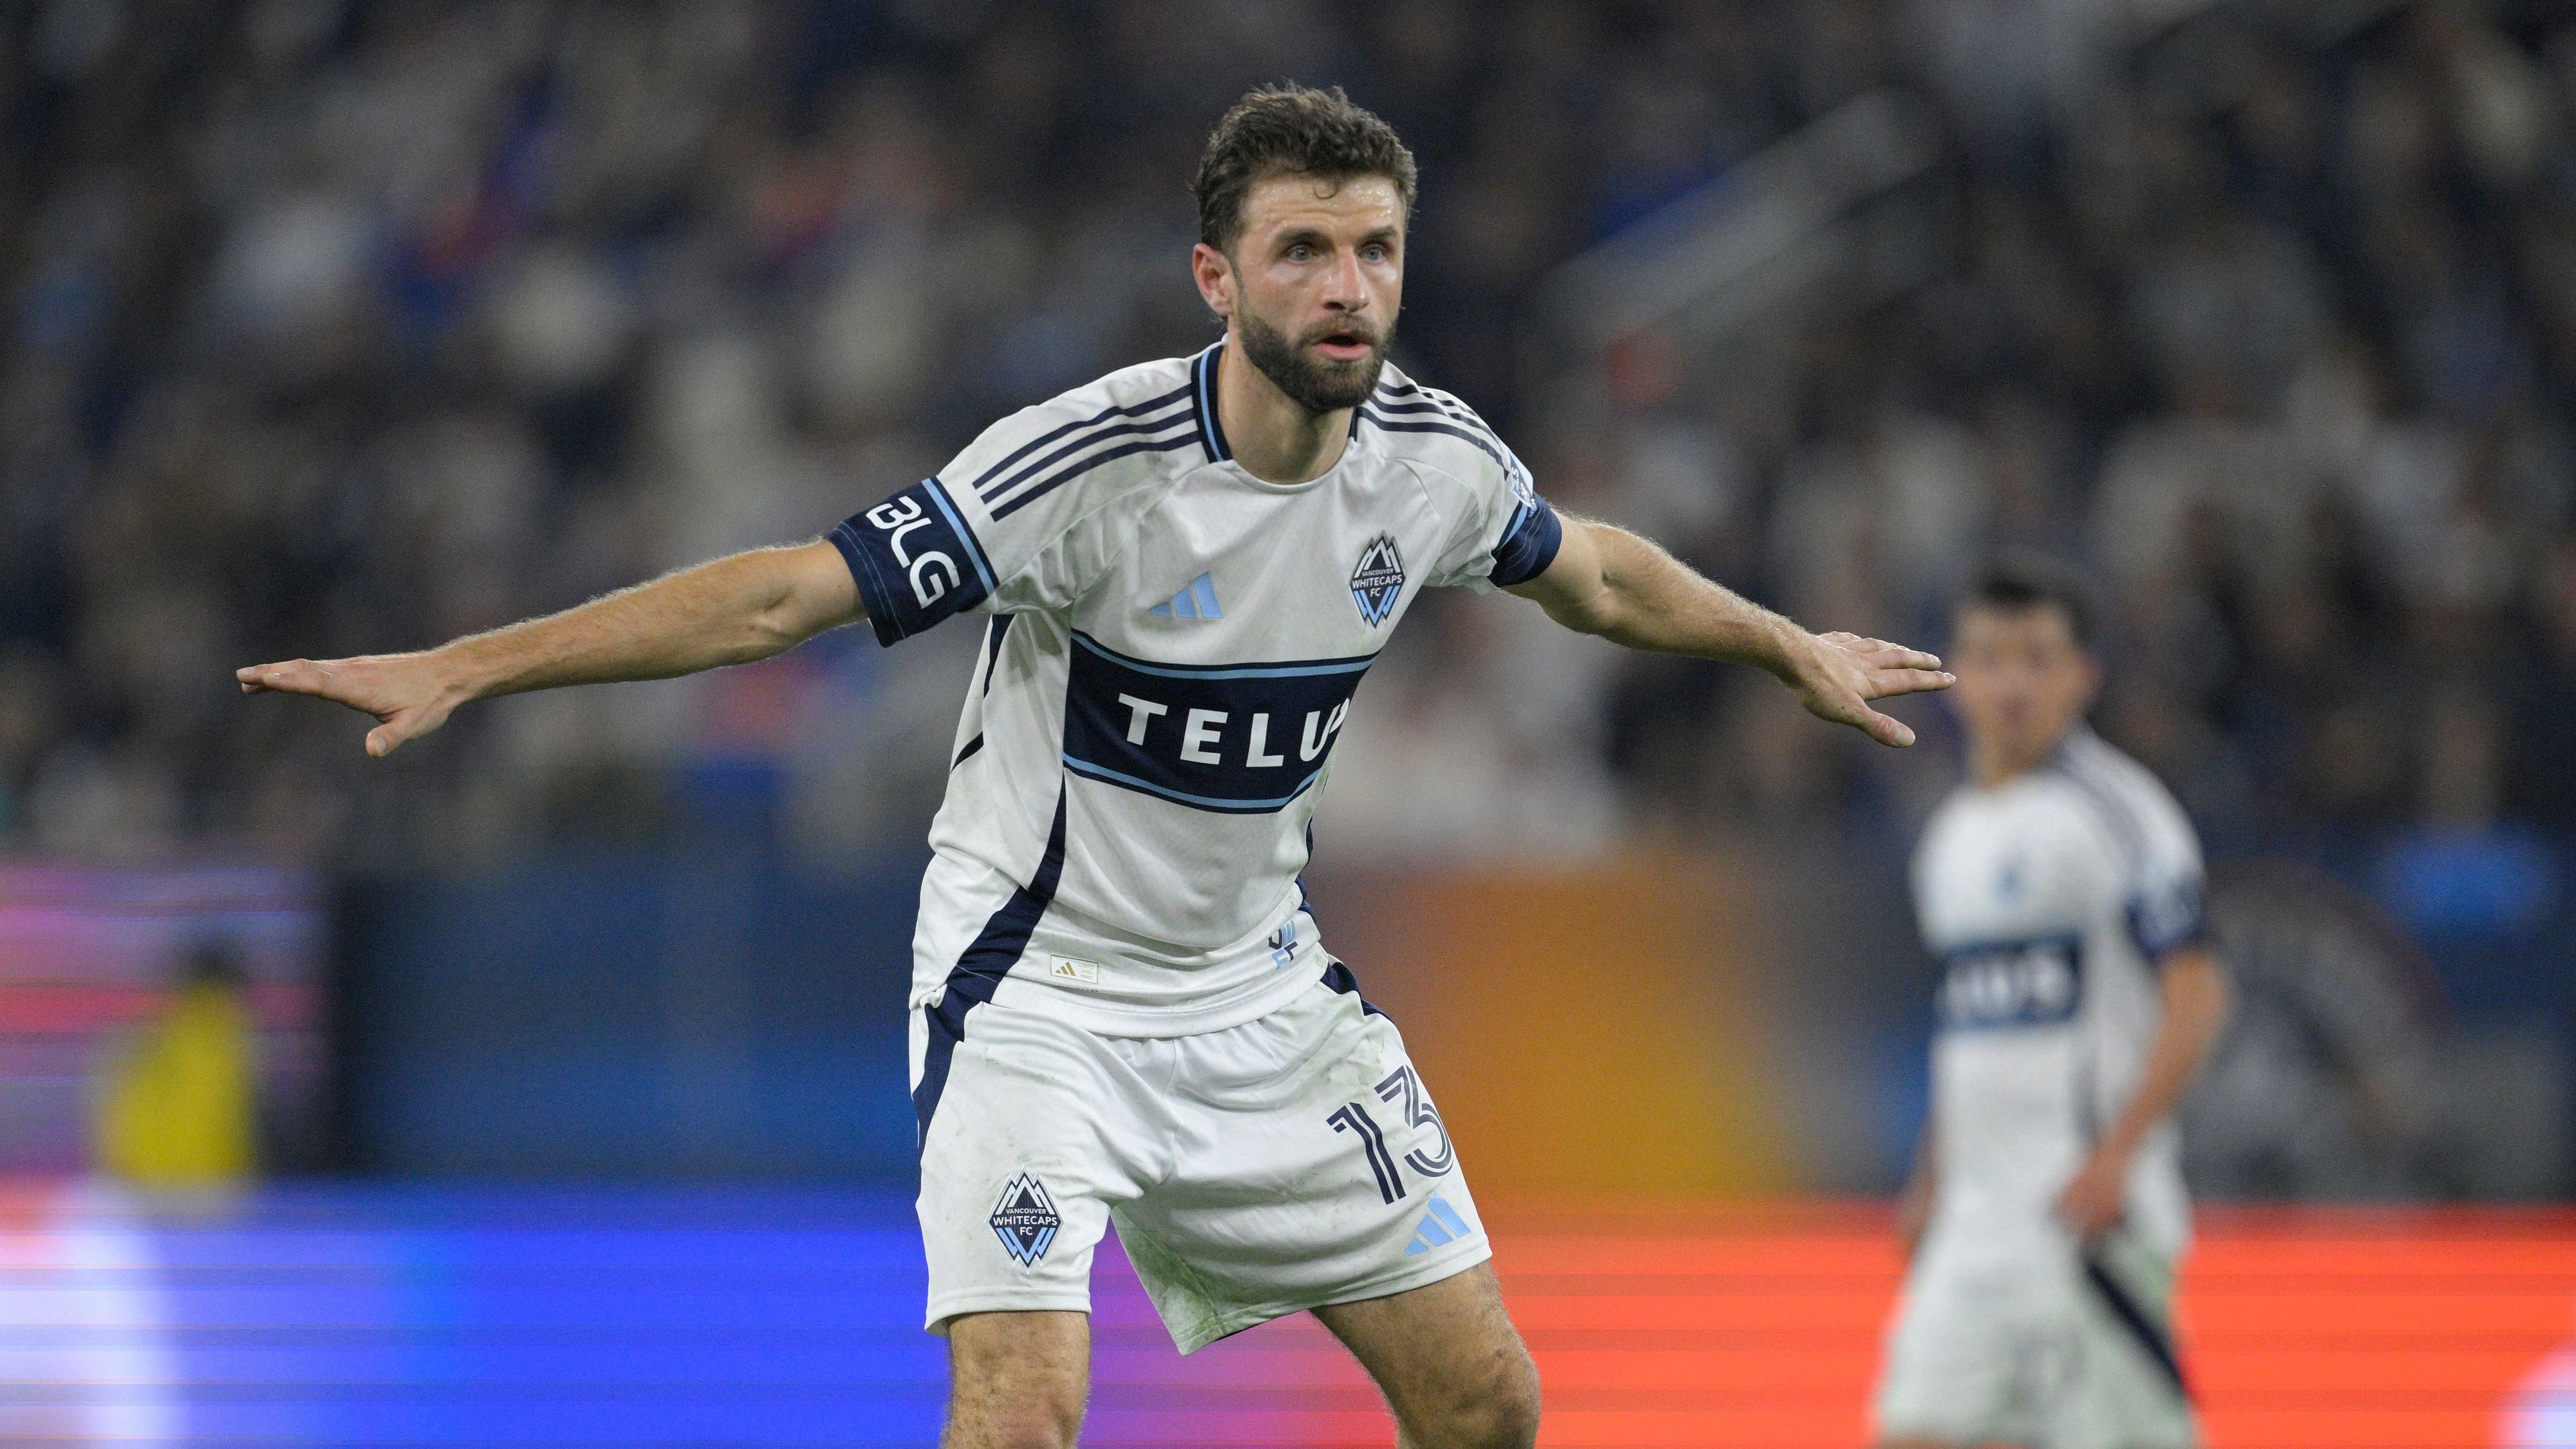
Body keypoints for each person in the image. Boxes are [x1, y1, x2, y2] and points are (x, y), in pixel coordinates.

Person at [240, 84, 1953, 1449]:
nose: (1344, 286)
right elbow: (781, 597)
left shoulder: (1432, 459)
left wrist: (1780, 640)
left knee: (1488, 1398)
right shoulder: (1092, 466)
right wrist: (475, 661)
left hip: (1263, 1000)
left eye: (1372, 249)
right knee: (1024, 1410)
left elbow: (1591, 570)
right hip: (1036, 994)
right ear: (1218, 277)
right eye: (1300, 251)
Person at [1874, 554, 2232, 1449]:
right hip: (1973, 1227)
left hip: (2082, 1221)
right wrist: (1929, 1181)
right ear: (1955, 674)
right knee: (1911, 1429)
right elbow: (1971, 1032)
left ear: (2083, 676)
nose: (2014, 682)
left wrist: (2116, 1156)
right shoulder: (1951, 835)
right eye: (1992, 656)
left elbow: (2198, 991)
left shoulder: (2120, 811)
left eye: (2039, 657)